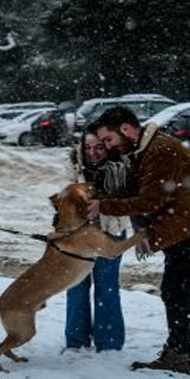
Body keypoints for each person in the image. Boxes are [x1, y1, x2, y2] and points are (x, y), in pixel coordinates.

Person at [86, 106, 190, 373]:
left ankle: (178, 354)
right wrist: (103, 199)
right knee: (186, 290)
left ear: (126, 129)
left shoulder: (161, 151)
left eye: (108, 140)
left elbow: (151, 200)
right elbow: (134, 188)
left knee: (175, 291)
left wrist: (104, 207)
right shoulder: (143, 149)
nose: (107, 145)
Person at [64, 132, 132, 351]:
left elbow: (129, 201)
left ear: (108, 148)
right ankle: (76, 342)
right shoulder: (73, 167)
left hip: (110, 234)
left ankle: (109, 343)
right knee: (76, 286)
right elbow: (62, 199)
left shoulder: (122, 167)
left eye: (99, 148)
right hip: (77, 237)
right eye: (88, 148)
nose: (92, 153)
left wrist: (103, 204)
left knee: (107, 287)